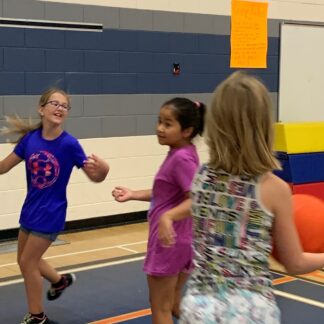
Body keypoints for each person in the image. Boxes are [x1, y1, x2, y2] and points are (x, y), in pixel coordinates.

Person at [158, 71, 324, 323]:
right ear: (262, 126)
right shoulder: (273, 189)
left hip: (199, 310)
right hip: (250, 312)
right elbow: (295, 264)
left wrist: (168, 215)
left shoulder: (203, 176)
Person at [0, 88, 109, 324]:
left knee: (28, 263)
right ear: (41, 109)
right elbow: (3, 167)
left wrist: (103, 170)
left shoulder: (69, 144)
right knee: (24, 260)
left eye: (64, 106)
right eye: (54, 103)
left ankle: (37, 318)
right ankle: (59, 281)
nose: (60, 108)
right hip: (29, 210)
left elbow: (95, 177)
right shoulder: (30, 140)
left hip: (51, 213)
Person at [112, 97, 206, 324]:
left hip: (169, 241)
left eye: (168, 124)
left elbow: (196, 200)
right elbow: (166, 195)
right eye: (159, 121)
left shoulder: (181, 159)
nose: (159, 128)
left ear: (187, 130)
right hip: (181, 239)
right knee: (171, 303)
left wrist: (167, 217)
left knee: (160, 308)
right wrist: (134, 194)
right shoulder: (183, 152)